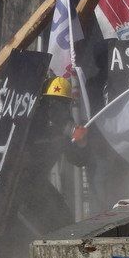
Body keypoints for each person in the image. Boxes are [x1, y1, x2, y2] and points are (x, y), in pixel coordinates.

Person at [15, 77, 88, 235]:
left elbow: (77, 159)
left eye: (62, 104)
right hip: (15, 187)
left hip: (39, 184)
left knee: (67, 225)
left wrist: (81, 143)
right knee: (29, 230)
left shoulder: (65, 127)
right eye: (51, 103)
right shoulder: (28, 122)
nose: (55, 110)